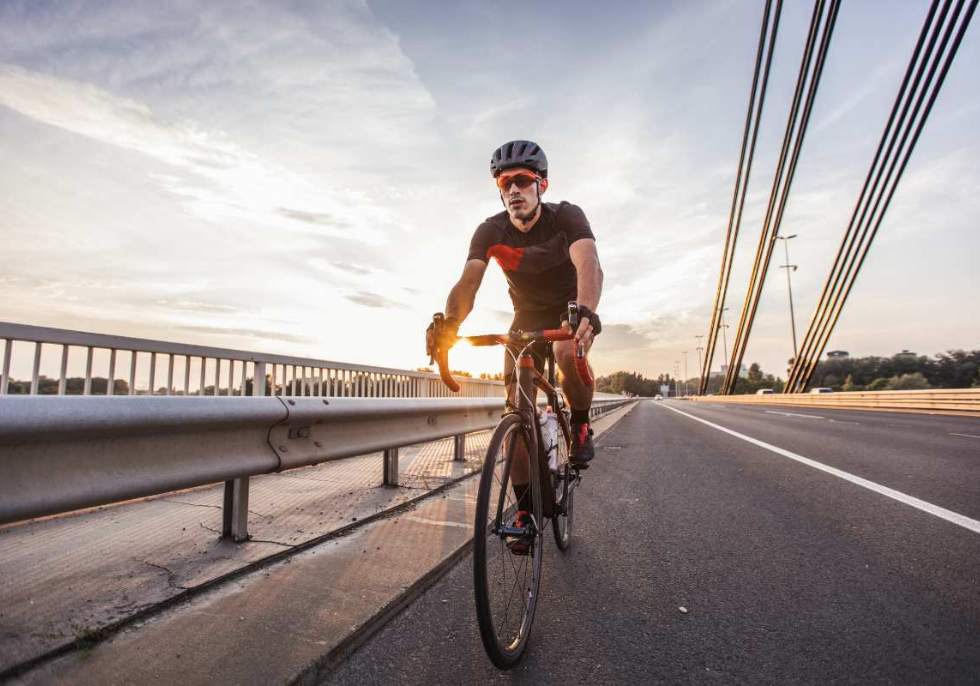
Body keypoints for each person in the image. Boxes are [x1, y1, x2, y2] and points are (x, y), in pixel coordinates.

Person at [427, 139, 604, 550]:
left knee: (564, 352)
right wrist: (451, 323)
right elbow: (468, 284)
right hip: (526, 316)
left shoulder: (566, 217)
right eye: (505, 183)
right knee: (515, 413)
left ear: (541, 183)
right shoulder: (491, 230)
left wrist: (587, 312)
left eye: (523, 180)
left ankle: (579, 423)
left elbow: (589, 264)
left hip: (570, 305)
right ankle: (524, 510)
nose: (513, 190)